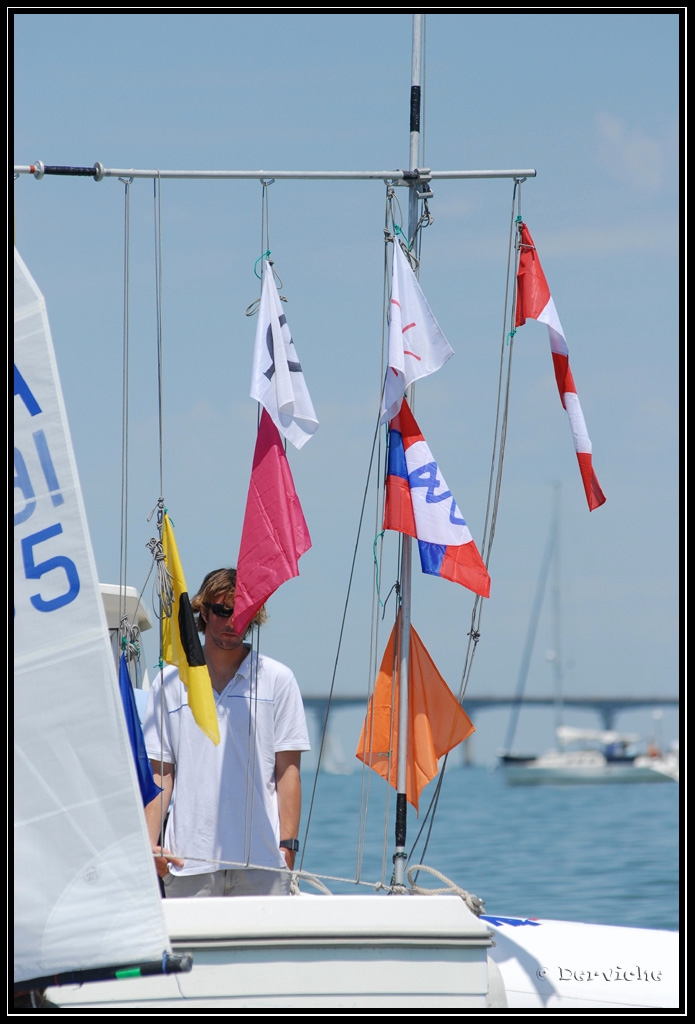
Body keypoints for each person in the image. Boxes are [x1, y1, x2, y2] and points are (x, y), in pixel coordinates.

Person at [143, 567, 310, 897]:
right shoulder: (170, 683)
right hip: (187, 861)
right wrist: (149, 844)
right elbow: (162, 773)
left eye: (243, 611)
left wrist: (287, 848)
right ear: (203, 611)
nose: (233, 621)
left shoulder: (278, 679)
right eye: (222, 611)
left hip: (263, 864)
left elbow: (288, 770)